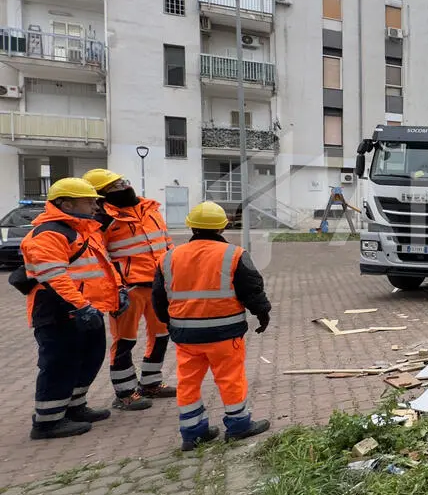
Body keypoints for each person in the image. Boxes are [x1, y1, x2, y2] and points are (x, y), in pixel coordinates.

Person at [153, 201, 271, 451]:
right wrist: (263, 314)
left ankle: (193, 433)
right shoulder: (234, 254)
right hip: (224, 334)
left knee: (187, 382)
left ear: (191, 226)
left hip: (186, 336)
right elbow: (252, 289)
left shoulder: (169, 257)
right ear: (222, 227)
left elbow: (158, 298)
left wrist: (169, 323)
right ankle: (238, 426)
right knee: (230, 379)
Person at [22, 178, 127, 440]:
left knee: (89, 358)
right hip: (60, 311)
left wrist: (118, 292)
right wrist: (80, 306)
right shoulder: (49, 234)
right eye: (89, 201)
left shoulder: (84, 230)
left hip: (86, 308)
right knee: (59, 364)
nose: (95, 206)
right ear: (66, 204)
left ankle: (74, 406)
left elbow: (103, 265)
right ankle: (48, 422)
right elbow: (55, 277)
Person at [84, 169, 176, 409]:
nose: (123, 187)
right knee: (125, 340)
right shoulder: (102, 220)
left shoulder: (151, 210)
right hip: (128, 289)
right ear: (100, 195)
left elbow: (166, 243)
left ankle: (151, 383)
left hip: (158, 286)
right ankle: (125, 393)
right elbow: (99, 257)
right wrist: (117, 286)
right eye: (114, 186)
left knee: (161, 335)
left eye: (122, 182)